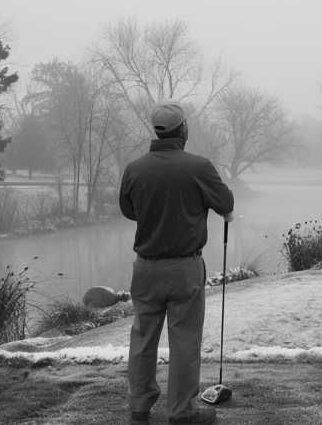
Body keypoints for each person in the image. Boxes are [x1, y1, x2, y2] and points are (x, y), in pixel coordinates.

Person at [120, 98, 235, 425]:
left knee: (142, 338)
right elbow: (225, 200)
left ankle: (139, 410)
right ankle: (183, 413)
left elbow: (130, 211)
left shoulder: (134, 168)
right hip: (183, 269)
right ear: (181, 128)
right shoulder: (198, 167)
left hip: (145, 268)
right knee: (185, 341)